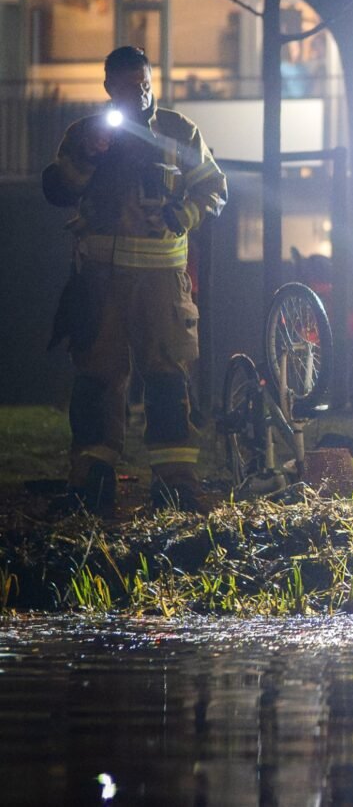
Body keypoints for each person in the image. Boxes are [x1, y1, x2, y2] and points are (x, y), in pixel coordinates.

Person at [42, 45, 227, 513]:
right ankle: (91, 484)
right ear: (108, 88)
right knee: (96, 382)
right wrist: (86, 157)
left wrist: (184, 212)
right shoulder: (85, 133)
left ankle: (175, 486)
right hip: (99, 282)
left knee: (166, 379)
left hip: (161, 283)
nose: (138, 94)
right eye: (126, 87)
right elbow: (60, 189)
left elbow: (214, 187)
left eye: (144, 85)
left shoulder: (179, 131)